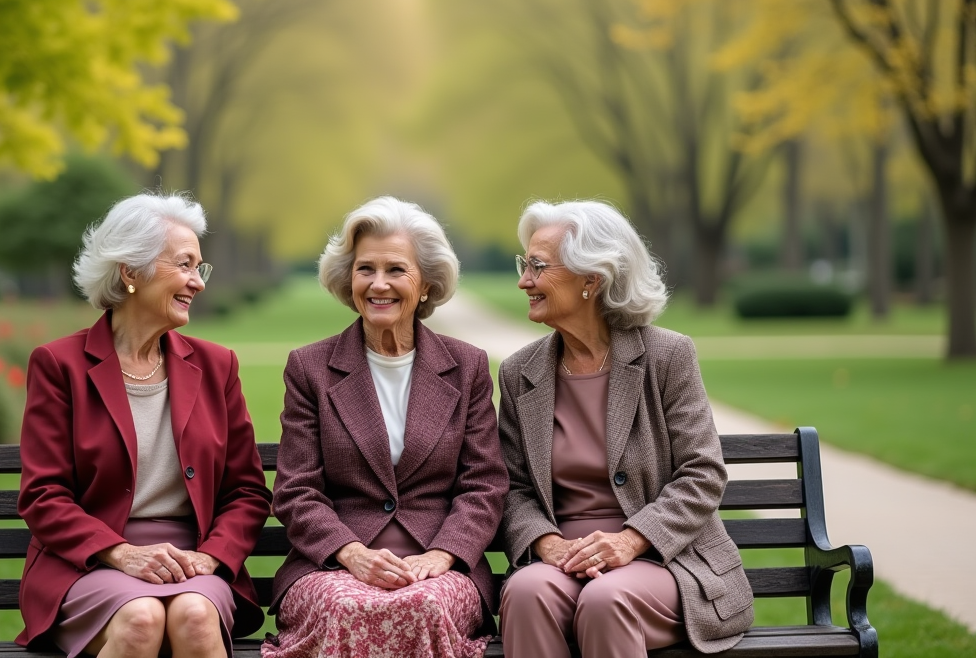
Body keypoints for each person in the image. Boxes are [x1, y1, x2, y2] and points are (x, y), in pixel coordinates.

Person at [15, 192, 272, 658]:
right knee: (141, 618)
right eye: (184, 264)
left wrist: (211, 557)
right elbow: (43, 494)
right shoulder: (59, 365)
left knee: (194, 616)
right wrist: (122, 554)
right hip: (90, 563)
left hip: (194, 561)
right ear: (130, 272)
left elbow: (248, 492)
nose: (198, 282)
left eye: (200, 267)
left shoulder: (217, 366)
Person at [497, 200, 754, 657]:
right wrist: (547, 544)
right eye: (525, 264)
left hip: (664, 559)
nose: (523, 281)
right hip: (562, 557)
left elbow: (703, 473)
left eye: (537, 266)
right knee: (525, 592)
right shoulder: (521, 373)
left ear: (591, 280)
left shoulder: (666, 356)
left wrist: (630, 541)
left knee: (605, 600)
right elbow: (513, 488)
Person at [263, 197, 509, 658]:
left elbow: (484, 484)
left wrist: (442, 556)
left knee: (423, 604)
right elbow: (297, 490)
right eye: (365, 269)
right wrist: (352, 554)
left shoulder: (467, 366)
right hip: (332, 567)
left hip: (440, 568)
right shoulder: (310, 368)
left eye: (396, 269)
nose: (379, 284)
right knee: (346, 605)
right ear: (348, 279)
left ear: (427, 285)